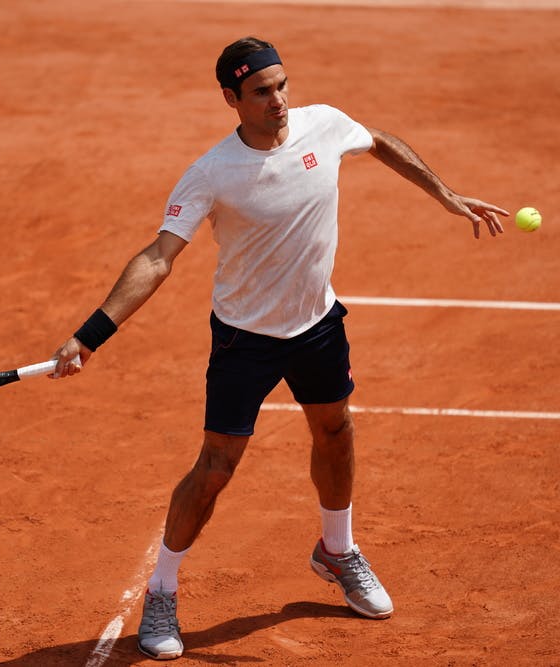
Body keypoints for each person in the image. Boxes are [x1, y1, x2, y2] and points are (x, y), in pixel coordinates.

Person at [50, 36, 508, 661]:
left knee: (337, 432)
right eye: (262, 92)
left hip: (317, 324)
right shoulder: (212, 173)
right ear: (231, 99)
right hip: (245, 339)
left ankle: (336, 551)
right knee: (215, 469)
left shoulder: (323, 124)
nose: (278, 101)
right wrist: (90, 335)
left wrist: (445, 193)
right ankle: (162, 590)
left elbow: (379, 142)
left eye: (281, 85)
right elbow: (159, 258)